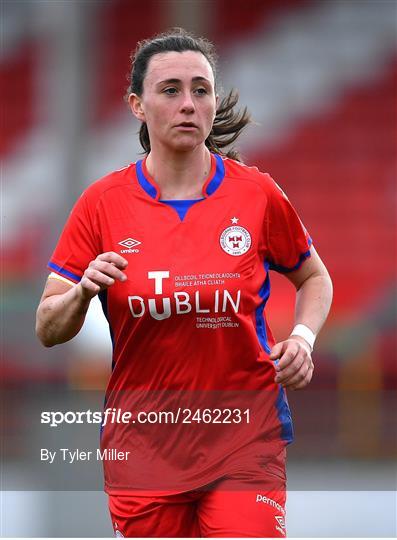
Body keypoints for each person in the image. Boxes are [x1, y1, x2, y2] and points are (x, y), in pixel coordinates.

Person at [36, 28, 333, 538]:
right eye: (170, 90)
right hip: (144, 446)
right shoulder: (102, 204)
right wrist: (84, 290)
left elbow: (314, 277)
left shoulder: (255, 194)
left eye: (201, 89)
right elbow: (47, 326)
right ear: (137, 104)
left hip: (246, 436)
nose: (189, 103)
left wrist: (303, 340)